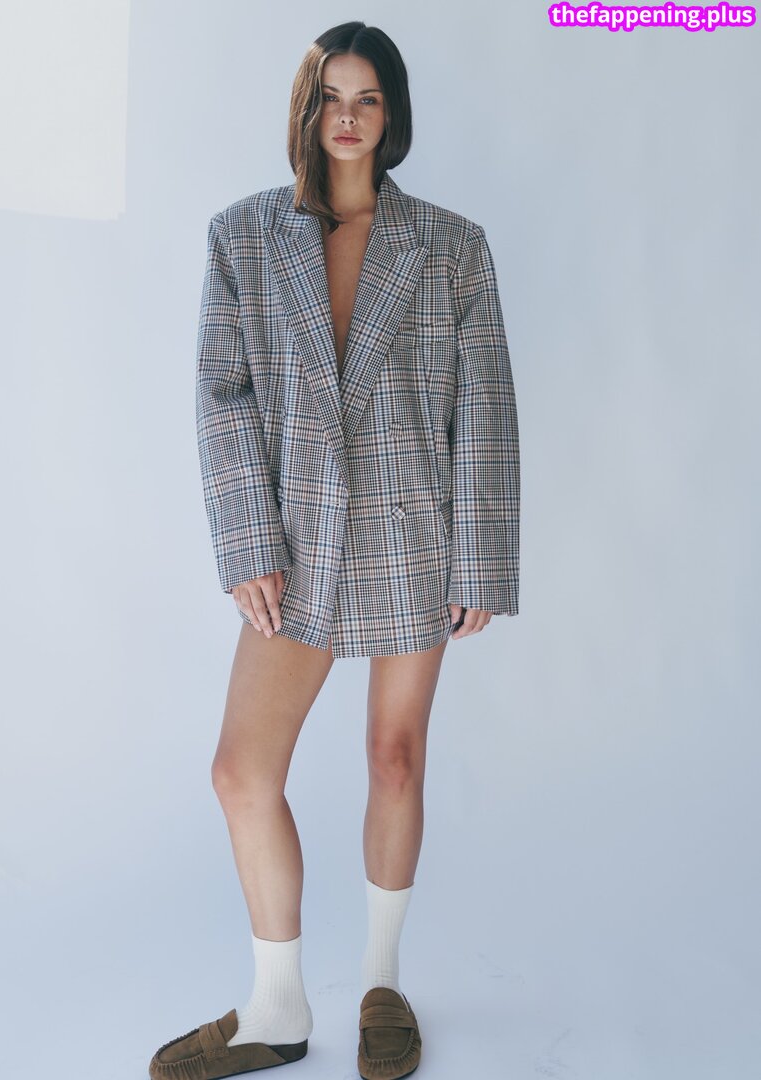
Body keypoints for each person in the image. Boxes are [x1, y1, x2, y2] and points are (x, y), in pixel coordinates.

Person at [149, 19, 519, 1080]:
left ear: (390, 113)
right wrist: (246, 544)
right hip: (297, 544)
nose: (347, 118)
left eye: (367, 98)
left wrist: (481, 561)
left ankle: (382, 986)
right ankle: (277, 1007)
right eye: (330, 97)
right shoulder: (242, 236)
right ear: (307, 110)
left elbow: (485, 408)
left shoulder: (452, 245)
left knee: (394, 756)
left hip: (414, 532)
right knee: (241, 771)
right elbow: (223, 398)